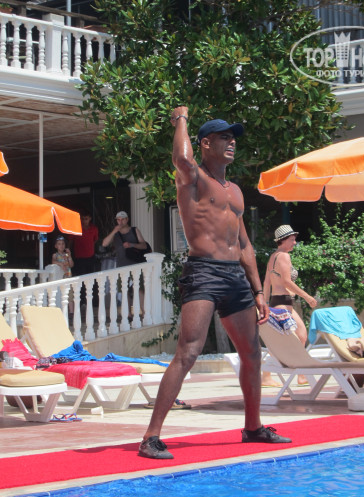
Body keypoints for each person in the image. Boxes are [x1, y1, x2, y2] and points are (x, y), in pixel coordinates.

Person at [138, 107, 292, 460]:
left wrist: (258, 290)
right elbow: (181, 157)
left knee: (251, 353)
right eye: (224, 137)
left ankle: (253, 427)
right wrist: (180, 118)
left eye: (233, 137)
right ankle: (150, 437)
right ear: (205, 144)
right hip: (203, 272)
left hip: (235, 277)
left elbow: (244, 244)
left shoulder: (235, 191)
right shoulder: (193, 179)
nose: (231, 142)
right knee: (189, 351)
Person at [263, 224, 318, 385]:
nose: (294, 242)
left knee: (298, 336)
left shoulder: (273, 256)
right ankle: (269, 375)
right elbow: (287, 281)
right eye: (292, 239)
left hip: (278, 302)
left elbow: (267, 282)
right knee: (294, 338)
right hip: (283, 303)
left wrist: (265, 304)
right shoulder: (284, 257)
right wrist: (307, 297)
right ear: (283, 240)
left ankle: (298, 374)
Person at [102, 211, 147, 319]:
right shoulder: (115, 233)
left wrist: (132, 245)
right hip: (121, 265)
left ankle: (145, 312)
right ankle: (128, 314)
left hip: (136, 264)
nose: (120, 221)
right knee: (124, 289)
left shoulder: (134, 230)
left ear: (127, 219)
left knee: (139, 289)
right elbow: (104, 244)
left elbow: (144, 245)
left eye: (122, 219)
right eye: (118, 219)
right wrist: (114, 231)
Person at [71, 210, 99, 276]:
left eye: (86, 219)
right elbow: (71, 241)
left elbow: (95, 240)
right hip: (79, 257)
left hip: (90, 256)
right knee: (79, 275)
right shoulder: (76, 228)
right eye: (82, 219)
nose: (84, 221)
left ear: (90, 219)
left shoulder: (94, 229)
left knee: (90, 275)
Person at [52, 235, 74, 315]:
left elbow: (71, 265)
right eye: (59, 244)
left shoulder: (67, 255)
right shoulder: (55, 255)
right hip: (61, 278)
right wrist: (60, 264)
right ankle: (63, 311)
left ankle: (71, 312)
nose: (61, 246)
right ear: (56, 246)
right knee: (61, 294)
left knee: (70, 295)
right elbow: (53, 262)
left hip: (68, 276)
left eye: (63, 244)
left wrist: (70, 255)